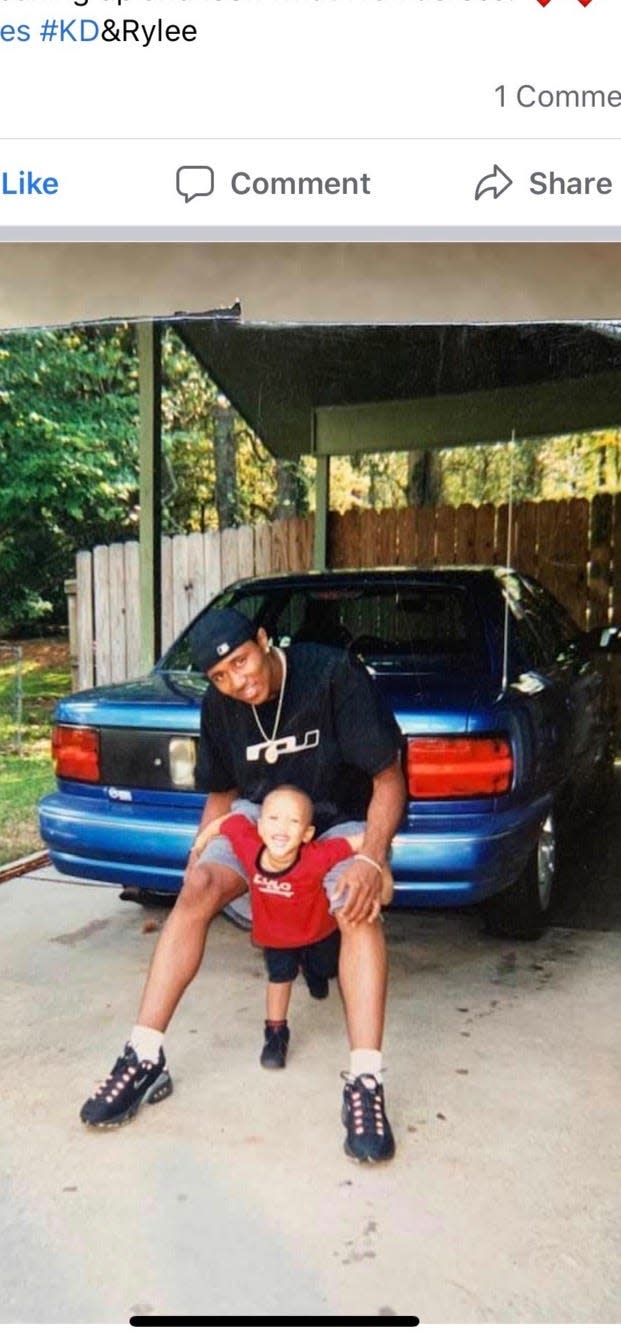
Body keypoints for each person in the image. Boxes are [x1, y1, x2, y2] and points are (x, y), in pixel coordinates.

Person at [80, 608, 406, 1162]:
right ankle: (144, 1055)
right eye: (221, 676)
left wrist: (373, 860)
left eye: (242, 662)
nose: (237, 682)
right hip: (264, 821)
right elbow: (223, 793)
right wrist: (197, 858)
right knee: (197, 888)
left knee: (356, 905)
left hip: (340, 821)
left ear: (263, 641)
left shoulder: (332, 675)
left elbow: (388, 778)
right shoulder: (220, 706)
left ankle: (366, 1081)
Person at [194, 785, 393, 1069]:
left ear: (307, 834)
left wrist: (380, 871)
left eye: (293, 821)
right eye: (274, 819)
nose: (282, 828)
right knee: (279, 977)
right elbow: (226, 823)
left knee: (325, 969)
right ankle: (275, 1033)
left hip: (317, 931)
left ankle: (314, 971)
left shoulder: (317, 855)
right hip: (276, 935)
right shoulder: (248, 844)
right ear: (260, 826)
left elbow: (361, 843)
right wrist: (197, 848)